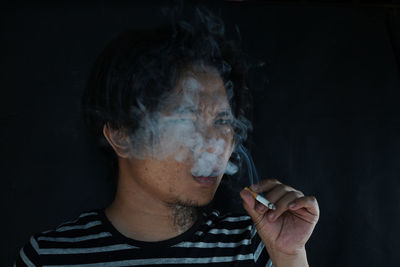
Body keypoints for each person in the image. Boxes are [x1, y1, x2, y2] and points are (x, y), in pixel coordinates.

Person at [15, 8, 319, 267]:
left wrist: (289, 255)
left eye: (223, 121)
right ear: (121, 135)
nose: (215, 144)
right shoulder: (49, 256)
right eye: (186, 119)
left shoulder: (259, 244)